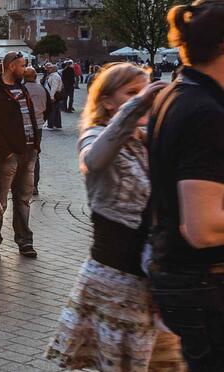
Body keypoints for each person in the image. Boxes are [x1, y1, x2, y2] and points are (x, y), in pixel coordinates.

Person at [47, 64, 185, 370]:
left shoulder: (147, 138)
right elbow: (94, 161)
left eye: (144, 91)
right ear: (108, 101)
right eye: (132, 92)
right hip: (116, 280)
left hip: (154, 281)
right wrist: (136, 107)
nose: (143, 99)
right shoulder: (96, 135)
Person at [148, 0, 224, 370]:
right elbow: (203, 226)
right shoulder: (205, 112)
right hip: (204, 283)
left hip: (182, 277)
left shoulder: (177, 94)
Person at [0, 51, 40, 259]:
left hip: (29, 151)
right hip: (8, 154)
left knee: (23, 200)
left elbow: (31, 117)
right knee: (0, 200)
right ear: (11, 66)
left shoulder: (22, 89)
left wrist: (36, 146)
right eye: (22, 65)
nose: (25, 69)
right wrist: (3, 151)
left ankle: (25, 241)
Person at [23, 67, 48, 196]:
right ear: (35, 76)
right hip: (38, 124)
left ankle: (21, 184)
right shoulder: (42, 89)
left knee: (21, 154)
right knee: (35, 155)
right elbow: (48, 106)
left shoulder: (22, 89)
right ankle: (34, 185)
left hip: (24, 125)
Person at [43, 63, 63, 130]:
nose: (49, 69)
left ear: (54, 69)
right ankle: (57, 124)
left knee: (51, 110)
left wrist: (51, 97)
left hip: (53, 95)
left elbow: (54, 87)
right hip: (54, 95)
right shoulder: (53, 75)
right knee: (56, 110)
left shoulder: (54, 76)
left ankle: (50, 125)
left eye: (51, 68)